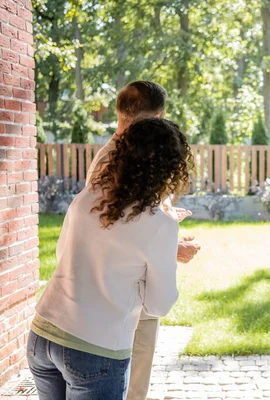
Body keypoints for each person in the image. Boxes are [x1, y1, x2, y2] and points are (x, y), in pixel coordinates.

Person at [27, 118, 194, 399]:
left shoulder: (87, 197)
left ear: (121, 155)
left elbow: (62, 255)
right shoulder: (161, 225)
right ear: (170, 168)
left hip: (42, 335)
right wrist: (136, 280)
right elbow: (158, 305)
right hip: (95, 350)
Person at [84, 81, 200, 400]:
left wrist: (163, 216)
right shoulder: (118, 158)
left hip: (122, 292)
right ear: (158, 116)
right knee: (132, 387)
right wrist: (171, 247)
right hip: (127, 297)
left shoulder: (118, 152)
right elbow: (112, 232)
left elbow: (123, 215)